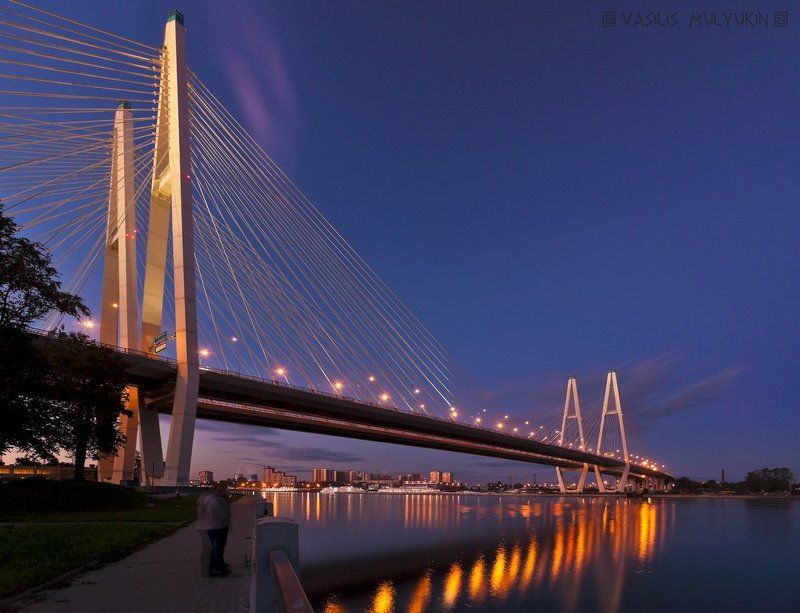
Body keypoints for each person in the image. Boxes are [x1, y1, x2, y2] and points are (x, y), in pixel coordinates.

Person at [197, 483, 231, 577]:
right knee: (217, 549)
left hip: (210, 527)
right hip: (216, 527)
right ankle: (218, 569)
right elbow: (219, 515)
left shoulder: (206, 499)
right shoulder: (214, 501)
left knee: (215, 548)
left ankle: (216, 567)